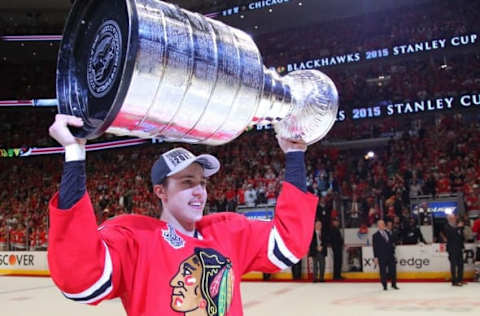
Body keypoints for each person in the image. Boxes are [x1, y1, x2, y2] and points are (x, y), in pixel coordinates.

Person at [47, 114, 318, 316]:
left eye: (202, 183)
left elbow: (288, 244)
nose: (199, 191)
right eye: (187, 183)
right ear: (160, 191)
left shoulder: (228, 231)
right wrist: (74, 154)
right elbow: (80, 279)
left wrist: (294, 155)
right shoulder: (136, 239)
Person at [372, 219, 398, 290]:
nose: (382, 225)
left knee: (393, 270)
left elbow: (392, 242)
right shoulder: (375, 235)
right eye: (381, 224)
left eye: (383, 224)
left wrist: (393, 253)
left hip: (390, 255)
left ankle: (394, 284)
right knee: (383, 271)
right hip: (381, 256)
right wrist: (375, 257)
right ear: (378, 226)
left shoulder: (388, 232)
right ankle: (384, 285)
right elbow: (375, 247)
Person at [443, 214, 465, 286]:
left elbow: (461, 236)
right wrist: (458, 228)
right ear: (449, 219)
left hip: (459, 248)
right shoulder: (447, 227)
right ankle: (454, 281)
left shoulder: (458, 226)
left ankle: (460, 279)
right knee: (453, 265)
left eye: (454, 218)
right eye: (452, 218)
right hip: (452, 248)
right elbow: (450, 235)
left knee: (461, 264)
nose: (454, 219)